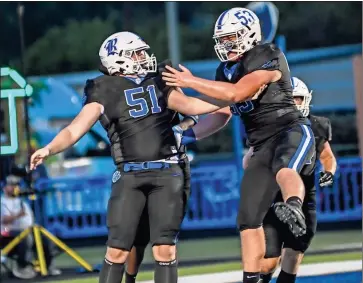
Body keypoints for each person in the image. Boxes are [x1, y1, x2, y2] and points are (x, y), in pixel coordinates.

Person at [30, 31, 223, 283]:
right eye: (137, 53)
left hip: (168, 171)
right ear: (118, 59)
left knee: (165, 249)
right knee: (118, 249)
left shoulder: (159, 79)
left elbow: (190, 107)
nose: (144, 57)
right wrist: (49, 149)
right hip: (129, 174)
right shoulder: (103, 88)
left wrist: (233, 95)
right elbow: (75, 129)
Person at [161, 8, 316, 283]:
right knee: (248, 219)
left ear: (250, 34)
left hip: (288, 130)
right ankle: (251, 279)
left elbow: (237, 93)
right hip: (259, 144)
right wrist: (181, 132)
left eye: (232, 38)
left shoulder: (267, 54)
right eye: (222, 39)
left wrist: (190, 80)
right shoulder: (226, 70)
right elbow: (218, 111)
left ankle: (293, 206)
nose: (226, 45)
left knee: (284, 170)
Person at [123, 107, 232, 282]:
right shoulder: (123, 89)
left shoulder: (166, 85)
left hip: (170, 166)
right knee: (137, 235)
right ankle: (129, 278)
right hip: (137, 166)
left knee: (165, 240)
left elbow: (192, 112)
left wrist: (179, 130)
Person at [256, 77, 337, 283]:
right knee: (268, 262)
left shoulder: (317, 126)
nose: (294, 105)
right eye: (288, 100)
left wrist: (329, 171)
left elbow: (327, 156)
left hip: (304, 202)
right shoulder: (268, 128)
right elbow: (249, 160)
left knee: (291, 261)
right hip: (272, 201)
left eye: (298, 99)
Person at [0, 175, 61, 279]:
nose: (15, 187)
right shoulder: (2, 201)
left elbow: (29, 219)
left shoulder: (21, 201)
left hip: (26, 230)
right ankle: (23, 266)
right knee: (26, 237)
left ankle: (48, 265)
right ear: (4, 187)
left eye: (16, 185)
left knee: (44, 237)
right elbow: (4, 219)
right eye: (11, 185)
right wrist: (18, 215)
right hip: (6, 233)